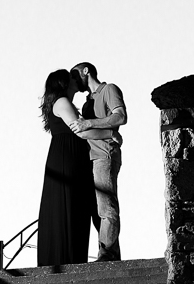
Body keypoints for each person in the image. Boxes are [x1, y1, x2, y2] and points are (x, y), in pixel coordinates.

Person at [68, 62, 127, 262]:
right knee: (98, 211)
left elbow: (120, 116)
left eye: (75, 75)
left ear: (86, 71)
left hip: (105, 155)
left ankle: (107, 254)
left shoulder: (109, 89)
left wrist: (89, 122)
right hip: (90, 159)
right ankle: (112, 255)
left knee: (106, 207)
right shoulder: (87, 103)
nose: (74, 80)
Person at [36, 69, 95, 266]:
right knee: (68, 205)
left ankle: (72, 257)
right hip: (66, 158)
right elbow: (79, 128)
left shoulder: (64, 102)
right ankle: (66, 259)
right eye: (71, 78)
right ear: (63, 83)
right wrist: (109, 133)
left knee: (75, 205)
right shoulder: (62, 102)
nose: (75, 80)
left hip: (70, 156)